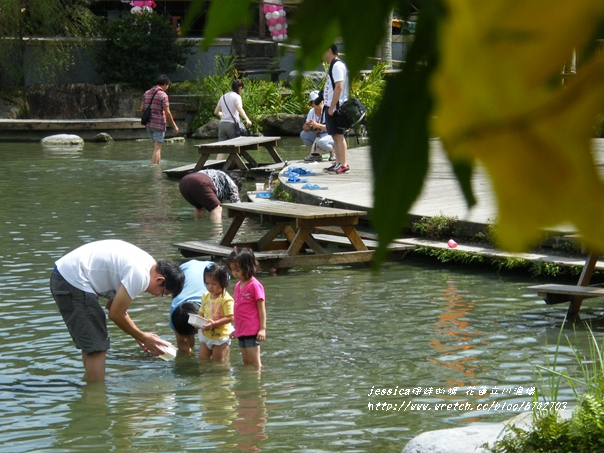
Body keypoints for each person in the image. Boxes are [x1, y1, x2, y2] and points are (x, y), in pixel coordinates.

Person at [49, 239, 185, 381]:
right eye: (162, 293)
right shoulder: (140, 275)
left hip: (68, 277)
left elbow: (111, 307)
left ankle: (91, 386)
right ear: (159, 280)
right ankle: (97, 395)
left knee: (94, 344)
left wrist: (139, 335)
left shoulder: (148, 264)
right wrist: (142, 337)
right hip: (73, 280)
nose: (157, 295)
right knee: (97, 346)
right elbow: (115, 314)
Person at [227, 248, 266, 368]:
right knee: (246, 361)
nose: (235, 273)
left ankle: (257, 384)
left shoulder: (255, 285)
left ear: (248, 267)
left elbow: (261, 308)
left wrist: (262, 329)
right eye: (233, 270)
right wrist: (236, 330)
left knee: (255, 362)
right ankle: (248, 384)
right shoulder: (238, 285)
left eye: (238, 270)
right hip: (242, 330)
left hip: (251, 330)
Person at [169, 260, 213, 353]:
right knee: (186, 338)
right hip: (186, 267)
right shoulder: (175, 312)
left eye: (195, 331)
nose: (197, 333)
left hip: (213, 270)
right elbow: (182, 343)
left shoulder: (212, 304)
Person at [322, 44, 351, 175]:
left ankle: (344, 164)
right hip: (331, 105)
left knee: (339, 136)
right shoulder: (333, 65)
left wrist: (332, 107)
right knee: (334, 136)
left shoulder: (337, 65)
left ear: (329, 50)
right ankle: (338, 162)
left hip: (337, 106)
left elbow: (339, 87)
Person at [198, 263, 234, 362]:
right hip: (206, 335)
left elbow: (230, 317)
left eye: (213, 284)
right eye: (207, 283)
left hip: (220, 337)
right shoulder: (205, 296)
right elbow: (202, 311)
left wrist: (215, 324)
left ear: (224, 282)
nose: (210, 287)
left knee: (218, 363)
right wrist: (197, 322)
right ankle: (205, 377)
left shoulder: (226, 299)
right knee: (202, 359)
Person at [141, 74, 179, 165]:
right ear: (165, 84)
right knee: (157, 148)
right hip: (158, 124)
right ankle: (155, 169)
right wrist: (174, 126)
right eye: (168, 85)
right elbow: (168, 113)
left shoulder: (147, 93)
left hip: (148, 124)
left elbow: (142, 108)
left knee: (156, 147)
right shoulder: (163, 95)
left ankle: (156, 165)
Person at [214, 79, 252, 159]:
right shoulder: (237, 97)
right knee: (236, 148)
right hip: (232, 126)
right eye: (242, 89)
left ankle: (216, 167)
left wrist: (224, 114)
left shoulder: (223, 97)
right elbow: (239, 108)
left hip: (222, 125)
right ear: (240, 88)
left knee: (222, 149)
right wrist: (247, 119)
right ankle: (238, 167)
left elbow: (216, 112)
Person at [300, 90, 335, 162]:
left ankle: (333, 152)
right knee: (303, 134)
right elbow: (305, 128)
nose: (319, 102)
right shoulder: (311, 112)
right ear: (312, 104)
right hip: (319, 135)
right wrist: (307, 125)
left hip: (330, 134)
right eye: (316, 101)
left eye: (320, 100)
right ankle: (316, 154)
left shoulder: (327, 111)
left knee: (322, 142)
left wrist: (317, 125)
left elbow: (331, 128)